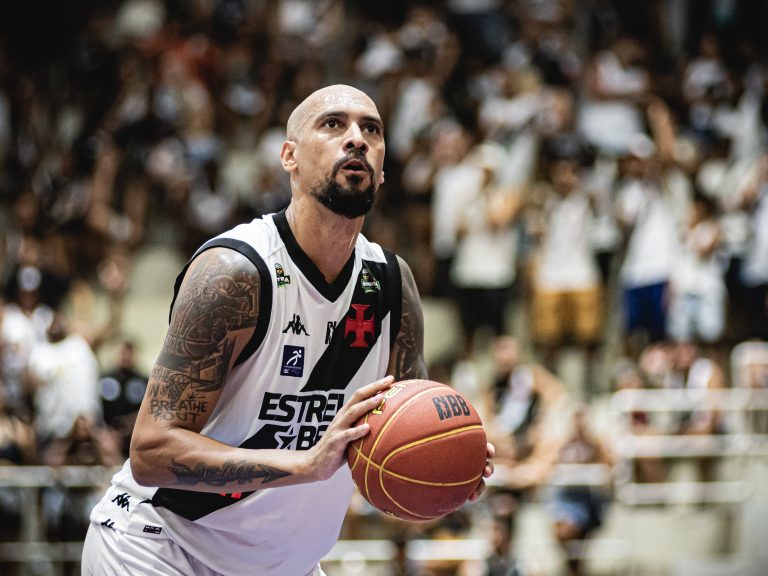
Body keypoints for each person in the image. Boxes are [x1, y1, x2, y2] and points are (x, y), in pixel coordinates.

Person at [82, 84, 494, 576]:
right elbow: (151, 452)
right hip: (161, 547)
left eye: (371, 129)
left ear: (383, 169)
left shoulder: (392, 284)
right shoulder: (235, 272)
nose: (356, 138)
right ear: (289, 157)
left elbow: (394, 443)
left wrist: (445, 464)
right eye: (333, 124)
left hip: (285, 565)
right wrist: (305, 464)